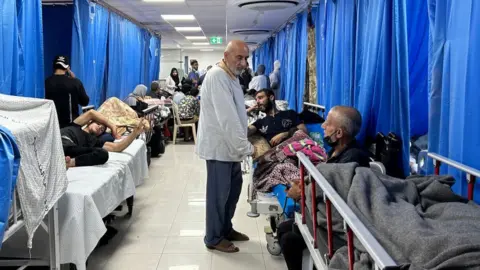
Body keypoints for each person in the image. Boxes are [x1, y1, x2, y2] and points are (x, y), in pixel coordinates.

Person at [278, 106, 371, 270]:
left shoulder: (353, 159)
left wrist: (301, 194)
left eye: (327, 124)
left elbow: (337, 198)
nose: (322, 126)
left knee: (288, 239)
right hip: (327, 214)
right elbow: (325, 180)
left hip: (343, 227)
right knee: (283, 229)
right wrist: (305, 182)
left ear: (339, 133)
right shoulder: (337, 150)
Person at [196, 40, 257, 253]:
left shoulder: (231, 76)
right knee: (218, 196)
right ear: (226, 55)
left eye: (246, 58)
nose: (243, 63)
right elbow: (227, 120)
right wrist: (249, 148)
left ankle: (225, 228)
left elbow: (235, 112)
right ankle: (213, 237)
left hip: (231, 148)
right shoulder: (217, 76)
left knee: (232, 193)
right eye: (238, 57)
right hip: (219, 148)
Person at [62, 109, 144, 168]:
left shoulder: (93, 141)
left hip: (69, 149)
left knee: (103, 154)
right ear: (89, 122)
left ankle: (69, 163)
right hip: (56, 140)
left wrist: (134, 133)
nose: (99, 127)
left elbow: (117, 147)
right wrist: (112, 126)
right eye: (97, 124)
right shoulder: (75, 125)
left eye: (102, 129)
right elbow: (91, 113)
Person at [45, 55, 90, 128]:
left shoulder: (46, 83)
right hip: (72, 128)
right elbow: (85, 102)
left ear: (54, 66)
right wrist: (75, 80)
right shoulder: (75, 82)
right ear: (67, 68)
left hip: (52, 127)